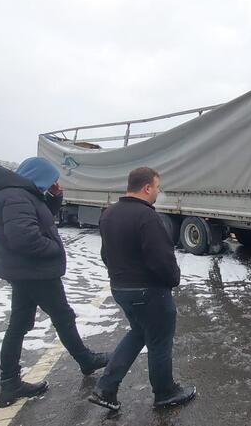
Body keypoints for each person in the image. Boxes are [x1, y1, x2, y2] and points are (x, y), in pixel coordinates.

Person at [0, 158, 109, 409]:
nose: (55, 182)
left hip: (25, 272)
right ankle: (85, 360)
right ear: (38, 175)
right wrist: (54, 249)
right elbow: (24, 237)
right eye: (53, 179)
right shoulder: (16, 197)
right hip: (34, 272)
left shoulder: (19, 194)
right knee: (62, 316)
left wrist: (55, 196)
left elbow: (40, 217)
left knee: (19, 324)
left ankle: (10, 383)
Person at [88, 167, 196, 411]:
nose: (158, 192)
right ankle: (165, 392)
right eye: (157, 187)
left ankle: (105, 388)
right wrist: (173, 279)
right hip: (149, 292)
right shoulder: (147, 217)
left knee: (138, 333)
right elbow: (162, 259)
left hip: (121, 289)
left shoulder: (109, 214)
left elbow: (107, 254)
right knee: (159, 341)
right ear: (147, 188)